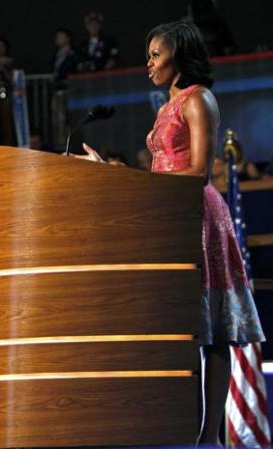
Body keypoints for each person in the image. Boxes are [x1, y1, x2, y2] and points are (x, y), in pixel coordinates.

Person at [78, 21, 265, 445]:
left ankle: (210, 437)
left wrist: (143, 183)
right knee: (185, 328)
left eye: (156, 54)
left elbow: (198, 172)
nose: (148, 63)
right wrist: (117, 175)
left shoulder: (198, 101)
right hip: (168, 214)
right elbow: (161, 172)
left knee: (214, 329)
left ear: (179, 55)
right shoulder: (167, 105)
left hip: (197, 216)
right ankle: (187, 431)